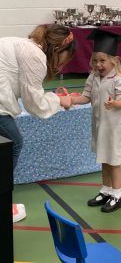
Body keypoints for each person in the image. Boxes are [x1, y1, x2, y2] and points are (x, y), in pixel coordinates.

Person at [0, 24, 76, 222]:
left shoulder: (23, 44)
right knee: (13, 145)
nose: (61, 66)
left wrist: (52, 97)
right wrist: (61, 101)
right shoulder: (35, 56)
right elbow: (34, 104)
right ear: (59, 48)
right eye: (64, 60)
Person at [71, 28, 121, 213]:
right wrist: (72, 99)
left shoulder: (118, 79)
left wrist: (115, 103)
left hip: (113, 128)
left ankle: (117, 194)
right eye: (95, 60)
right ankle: (106, 190)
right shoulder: (93, 77)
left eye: (103, 61)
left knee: (113, 162)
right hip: (99, 127)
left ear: (113, 60)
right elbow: (86, 97)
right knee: (103, 160)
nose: (98, 64)